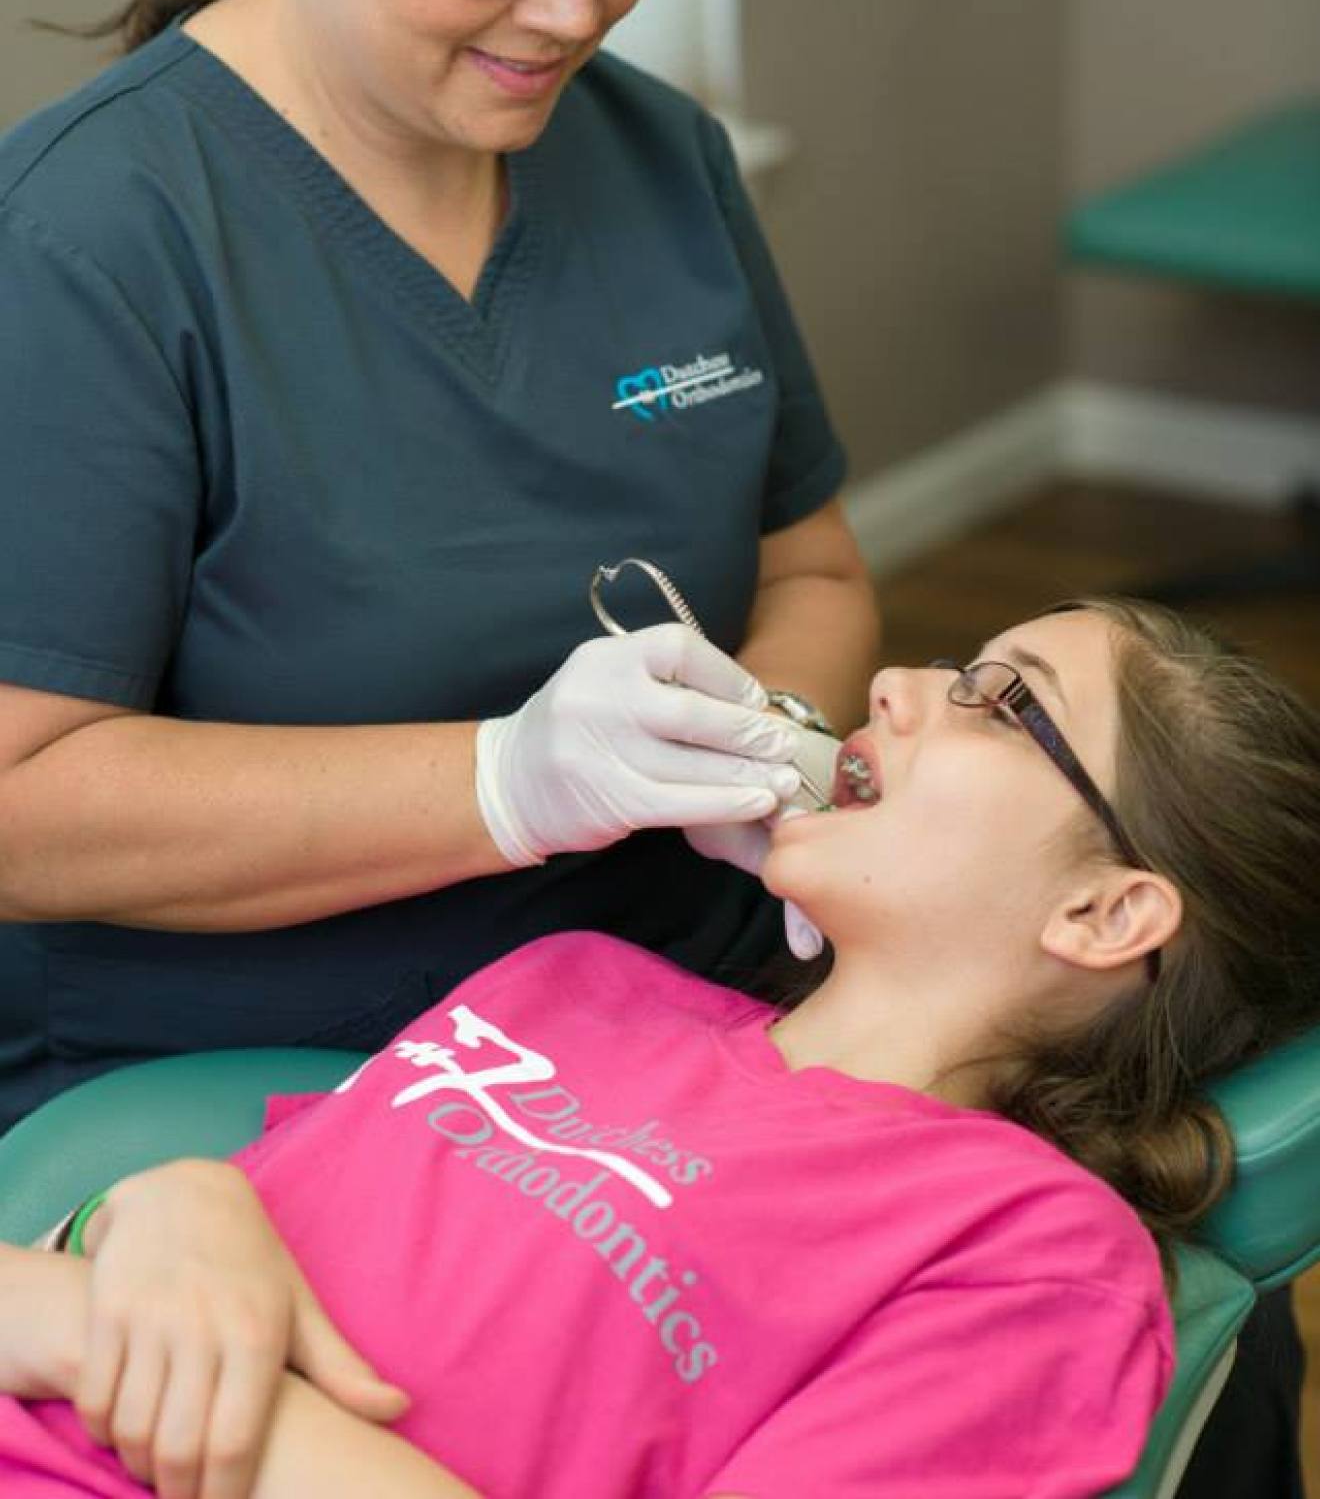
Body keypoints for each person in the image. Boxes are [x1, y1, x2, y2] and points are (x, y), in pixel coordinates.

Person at [0, 0, 879, 1130]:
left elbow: (813, 568)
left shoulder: (660, 158)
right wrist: (504, 784)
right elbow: (17, 800)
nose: (572, 8)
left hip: (677, 1007)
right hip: (264, 1085)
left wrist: (762, 747)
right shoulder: (89, 237)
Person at [2, 597, 1319, 1499]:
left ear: (1106, 911)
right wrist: (157, 1207)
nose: (895, 682)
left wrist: (82, 1330)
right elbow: (173, 1278)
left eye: (1001, 699)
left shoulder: (1031, 1262)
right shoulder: (574, 986)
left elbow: (99, 1340)